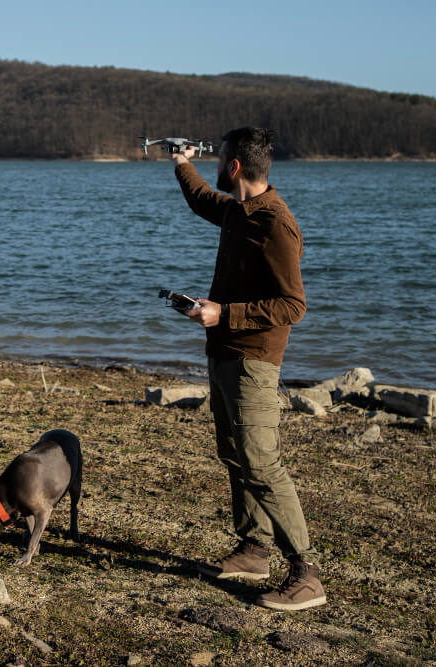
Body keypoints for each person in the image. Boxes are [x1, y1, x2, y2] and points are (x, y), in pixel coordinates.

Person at [170, 127, 326, 611]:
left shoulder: (276, 224)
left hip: (254, 359)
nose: (215, 164)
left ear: (235, 166)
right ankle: (255, 549)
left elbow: (293, 305)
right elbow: (202, 200)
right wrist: (181, 163)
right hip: (223, 352)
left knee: (261, 462)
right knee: (234, 454)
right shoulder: (238, 211)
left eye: (219, 158)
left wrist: (225, 314)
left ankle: (306, 573)